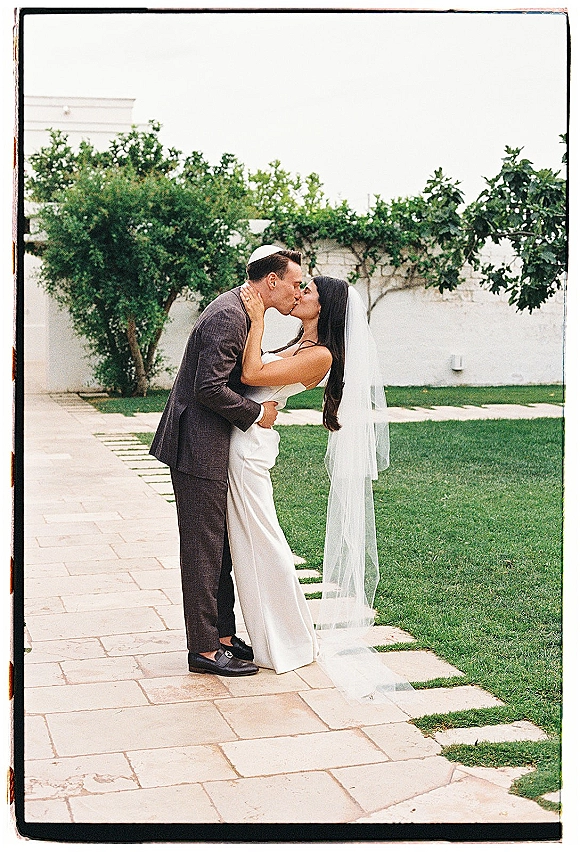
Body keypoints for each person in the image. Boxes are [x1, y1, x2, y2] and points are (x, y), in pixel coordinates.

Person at [230, 270, 415, 701]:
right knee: (247, 543)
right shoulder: (301, 342)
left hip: (249, 448)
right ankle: (268, 636)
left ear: (324, 306)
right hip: (246, 435)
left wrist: (257, 320)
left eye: (306, 290)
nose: (298, 293)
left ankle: (289, 642)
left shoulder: (323, 356)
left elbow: (253, 372)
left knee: (264, 542)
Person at [149, 245, 303, 677]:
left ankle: (222, 635)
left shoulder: (241, 311)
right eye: (294, 282)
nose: (298, 290)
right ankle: (203, 648)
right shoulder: (230, 316)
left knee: (219, 550)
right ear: (270, 280)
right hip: (196, 446)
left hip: (210, 444)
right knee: (203, 550)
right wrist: (259, 414)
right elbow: (208, 388)